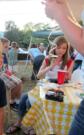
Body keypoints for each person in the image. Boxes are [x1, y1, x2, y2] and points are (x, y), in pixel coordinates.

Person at [43, 0, 84, 134]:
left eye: (64, 48)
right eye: (58, 47)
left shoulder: (68, 60)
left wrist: (57, 12)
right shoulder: (49, 58)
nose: (60, 50)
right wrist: (62, 6)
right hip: (48, 85)